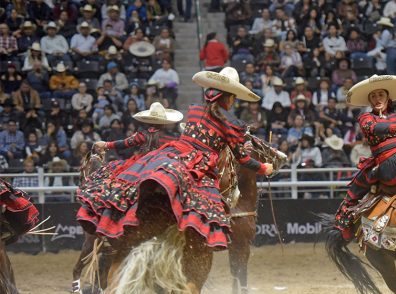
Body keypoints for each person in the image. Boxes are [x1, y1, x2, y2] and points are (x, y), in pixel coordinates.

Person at [77, 67, 274, 250]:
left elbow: (128, 143)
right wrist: (264, 168)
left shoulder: (194, 110)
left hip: (172, 154)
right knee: (207, 206)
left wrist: (108, 145)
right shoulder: (232, 125)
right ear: (230, 98)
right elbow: (243, 159)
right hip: (200, 164)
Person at [332, 75, 396, 240]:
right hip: (387, 162)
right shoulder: (366, 118)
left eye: (380, 94)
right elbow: (375, 128)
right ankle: (344, 222)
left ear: (388, 97)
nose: (377, 98)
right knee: (355, 189)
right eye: (373, 96)